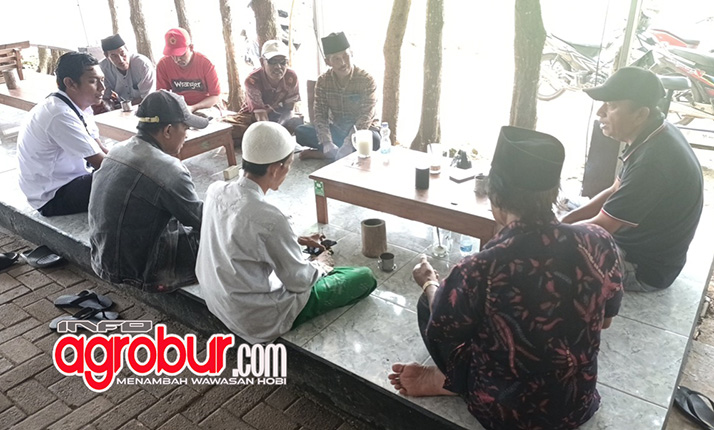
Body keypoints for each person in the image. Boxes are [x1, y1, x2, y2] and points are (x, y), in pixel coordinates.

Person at [388, 126, 623, 430]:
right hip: (575, 403)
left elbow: (442, 329)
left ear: (494, 195)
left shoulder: (481, 267)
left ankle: (450, 382)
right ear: (554, 192)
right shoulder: (598, 241)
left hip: (504, 413)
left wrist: (429, 282)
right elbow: (605, 321)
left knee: (430, 304)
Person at [196, 122, 377, 344]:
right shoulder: (270, 218)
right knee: (363, 277)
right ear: (275, 169)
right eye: (289, 165)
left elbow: (240, 235)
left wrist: (295, 239)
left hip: (217, 300)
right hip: (254, 317)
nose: (289, 171)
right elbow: (299, 282)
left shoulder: (215, 190)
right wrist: (320, 264)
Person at [562, 67, 703, 291]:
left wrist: (552, 237)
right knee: (566, 210)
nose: (600, 112)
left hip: (642, 268)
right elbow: (614, 190)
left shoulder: (652, 163)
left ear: (640, 115)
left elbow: (602, 226)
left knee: (549, 262)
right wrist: (565, 222)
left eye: (612, 105)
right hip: (636, 245)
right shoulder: (654, 132)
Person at [88, 90, 209, 292]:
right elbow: (201, 220)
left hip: (104, 258)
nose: (187, 135)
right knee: (221, 232)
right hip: (144, 271)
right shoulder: (168, 169)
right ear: (168, 130)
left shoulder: (119, 149)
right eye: (185, 128)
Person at [17, 51, 109, 217]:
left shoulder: (77, 105)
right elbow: (102, 163)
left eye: (102, 80)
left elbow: (101, 150)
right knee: (127, 181)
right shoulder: (59, 114)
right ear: (70, 83)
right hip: (53, 196)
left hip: (69, 180)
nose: (102, 87)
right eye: (93, 81)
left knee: (128, 173)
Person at [295, 32, 379, 159]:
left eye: (345, 56)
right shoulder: (323, 81)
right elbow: (320, 115)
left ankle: (326, 155)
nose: (343, 63)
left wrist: (349, 143)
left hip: (362, 130)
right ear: (328, 62)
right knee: (301, 132)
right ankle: (337, 152)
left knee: (375, 141)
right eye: (336, 59)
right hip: (337, 129)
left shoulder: (366, 80)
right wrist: (327, 142)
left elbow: (366, 117)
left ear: (352, 53)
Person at [224, 39, 303, 146]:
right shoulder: (252, 80)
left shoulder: (291, 77)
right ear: (262, 62)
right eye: (272, 62)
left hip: (277, 117)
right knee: (228, 131)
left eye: (282, 62)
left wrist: (278, 128)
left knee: (298, 123)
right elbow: (260, 116)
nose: (278, 67)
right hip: (252, 118)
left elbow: (289, 109)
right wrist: (272, 133)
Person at [156, 28, 221, 112]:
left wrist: (193, 107)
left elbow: (215, 96)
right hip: (179, 108)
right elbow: (162, 95)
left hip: (205, 107)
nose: (177, 60)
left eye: (181, 54)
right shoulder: (163, 64)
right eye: (172, 55)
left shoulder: (205, 63)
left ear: (191, 47)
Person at [97, 33, 155, 110]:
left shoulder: (142, 64)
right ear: (106, 56)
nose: (121, 60)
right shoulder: (102, 68)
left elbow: (148, 97)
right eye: (114, 56)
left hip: (147, 106)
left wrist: (123, 106)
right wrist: (108, 106)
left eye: (122, 53)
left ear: (127, 49)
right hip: (121, 108)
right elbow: (104, 97)